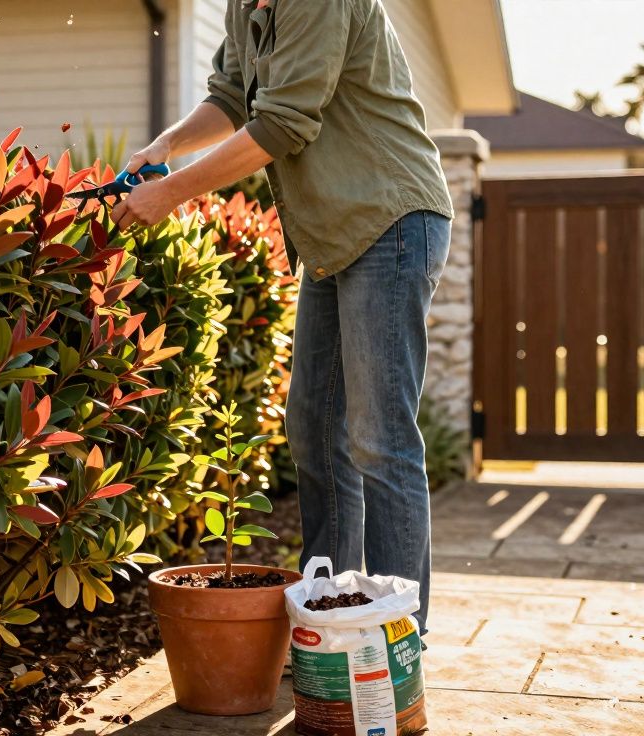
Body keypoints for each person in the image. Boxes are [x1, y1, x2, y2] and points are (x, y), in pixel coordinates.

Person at [113, 0, 453, 632]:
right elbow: (231, 97)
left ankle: (398, 641)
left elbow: (283, 124)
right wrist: (168, 145)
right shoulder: (248, 5)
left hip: (390, 219)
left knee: (380, 440)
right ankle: (329, 621)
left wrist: (171, 191)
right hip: (331, 233)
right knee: (316, 435)